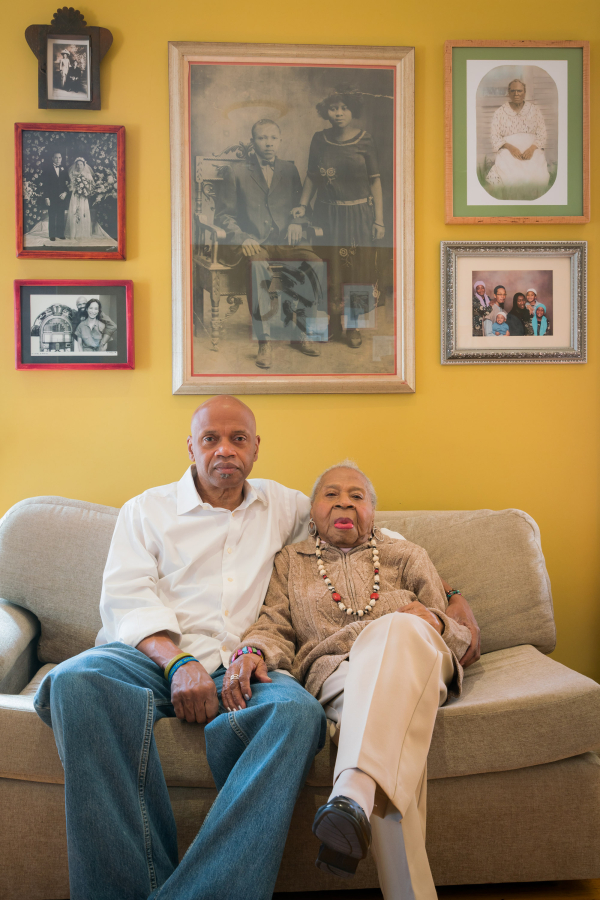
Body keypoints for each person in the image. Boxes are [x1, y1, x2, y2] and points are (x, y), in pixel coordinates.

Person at [33, 398, 481, 900]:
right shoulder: (146, 510)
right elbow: (127, 599)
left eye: (238, 438)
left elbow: (364, 535)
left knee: (297, 715)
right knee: (75, 681)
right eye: (211, 439)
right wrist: (178, 661)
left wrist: (451, 592)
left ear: (255, 448)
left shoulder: (284, 506)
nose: (225, 449)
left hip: (247, 664)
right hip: (150, 656)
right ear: (191, 446)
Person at [224, 461, 472, 900]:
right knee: (383, 729)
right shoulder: (289, 562)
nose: (344, 502)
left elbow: (457, 634)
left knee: (397, 629)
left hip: (415, 659)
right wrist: (252, 651)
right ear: (313, 511)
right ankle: (357, 797)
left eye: (357, 496)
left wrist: (432, 618)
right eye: (331, 494)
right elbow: (272, 624)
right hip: (339, 672)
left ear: (374, 511)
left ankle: (351, 792)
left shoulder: (407, 554)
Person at [214, 119, 323, 369]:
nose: (268, 143)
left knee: (315, 263)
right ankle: (265, 340)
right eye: (262, 138)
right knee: (257, 265)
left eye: (273, 138)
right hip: (255, 241)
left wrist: (299, 222)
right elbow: (224, 215)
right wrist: (243, 237)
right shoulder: (237, 172)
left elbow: (300, 206)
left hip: (286, 239)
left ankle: (301, 333)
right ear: (253, 142)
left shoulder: (289, 169)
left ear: (280, 140)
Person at [292, 84, 385, 349]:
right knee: (328, 269)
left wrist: (379, 220)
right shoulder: (319, 139)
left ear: (352, 110)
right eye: (333, 108)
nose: (339, 113)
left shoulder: (365, 139)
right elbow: (312, 176)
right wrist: (301, 205)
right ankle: (332, 325)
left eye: (344, 108)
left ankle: (353, 327)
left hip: (358, 215)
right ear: (326, 112)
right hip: (327, 214)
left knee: (355, 270)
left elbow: (375, 181)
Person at [485, 79, 550, 199]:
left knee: (538, 175)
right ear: (508, 93)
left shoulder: (534, 110)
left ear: (524, 92)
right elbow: (495, 136)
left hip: (532, 149)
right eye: (513, 91)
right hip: (508, 149)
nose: (516, 94)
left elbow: (542, 133)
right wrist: (510, 147)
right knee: (509, 173)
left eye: (519, 91)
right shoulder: (499, 112)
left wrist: (531, 149)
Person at [40, 151, 70, 241]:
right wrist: (46, 198)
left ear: (61, 158)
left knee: (61, 215)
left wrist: (65, 193)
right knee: (52, 215)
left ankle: (60, 234)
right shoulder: (47, 169)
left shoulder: (64, 169)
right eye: (56, 157)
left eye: (59, 157)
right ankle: (52, 235)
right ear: (52, 158)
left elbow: (68, 184)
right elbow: (45, 185)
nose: (58, 159)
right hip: (51, 197)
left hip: (62, 196)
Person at [65, 157, 94, 242]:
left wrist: (85, 190)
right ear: (75, 165)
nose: (79, 166)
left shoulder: (88, 174)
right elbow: (70, 186)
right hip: (75, 196)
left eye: (81, 164)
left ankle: (83, 233)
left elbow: (91, 186)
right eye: (77, 164)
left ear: (84, 165)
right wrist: (74, 188)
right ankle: (73, 234)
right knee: (74, 212)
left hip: (83, 197)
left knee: (83, 212)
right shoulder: (72, 173)